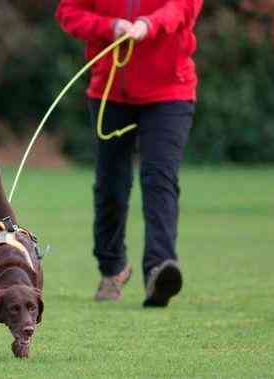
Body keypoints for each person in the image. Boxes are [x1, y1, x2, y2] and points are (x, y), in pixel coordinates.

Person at [56, 0, 203, 307]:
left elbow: (183, 8)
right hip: (109, 93)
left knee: (158, 178)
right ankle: (113, 268)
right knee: (111, 184)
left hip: (169, 93)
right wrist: (109, 27)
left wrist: (149, 25)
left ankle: (159, 269)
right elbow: (69, 13)